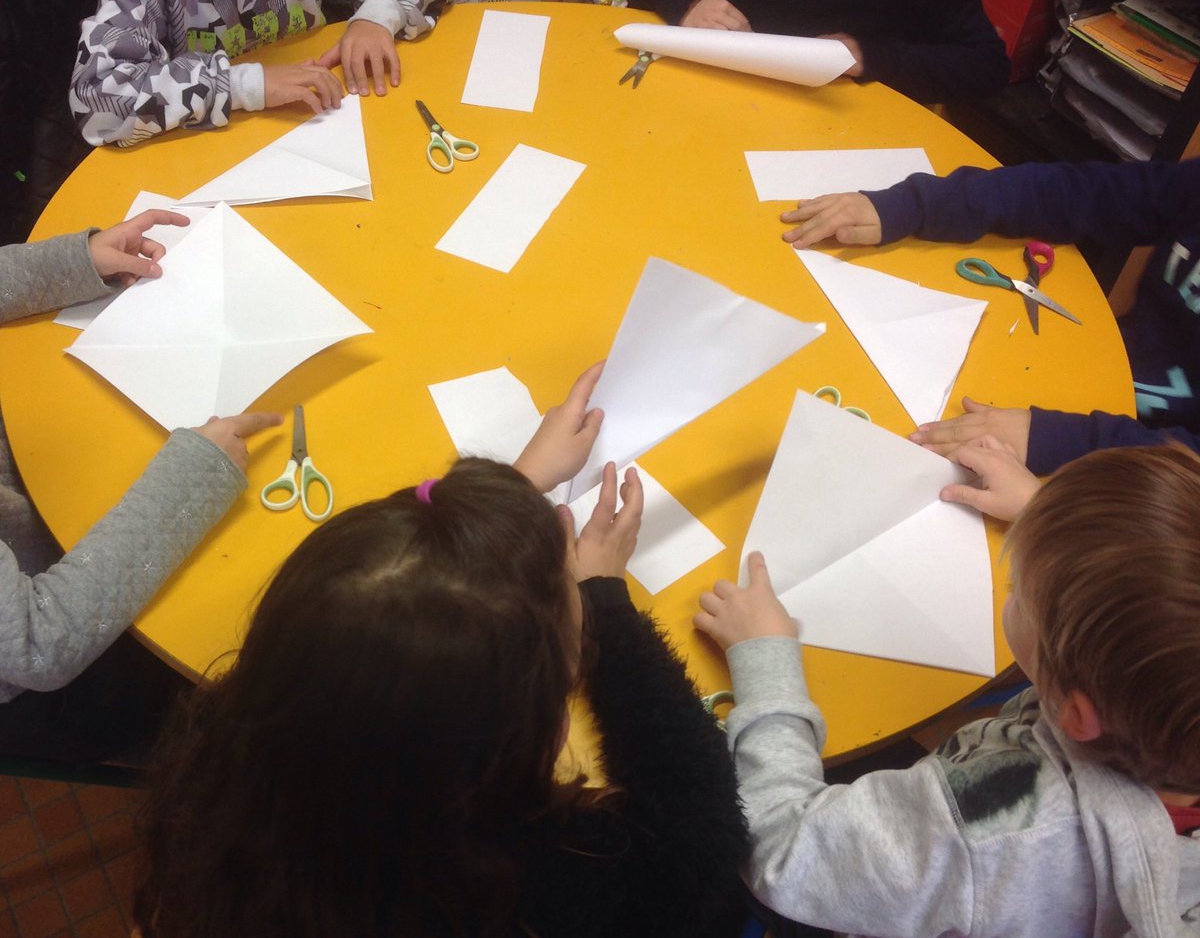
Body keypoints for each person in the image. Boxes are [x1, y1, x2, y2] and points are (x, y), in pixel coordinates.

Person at [134, 364, 750, 938]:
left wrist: (511, 504)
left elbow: (401, 617)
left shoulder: (232, 763)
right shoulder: (531, 878)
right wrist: (608, 604)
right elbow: (700, 842)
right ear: (548, 722)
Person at [694, 438, 1200, 936]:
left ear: (1078, 716)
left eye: (1018, 588)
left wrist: (764, 657)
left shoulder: (989, 826)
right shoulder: (1164, 716)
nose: (1015, 588)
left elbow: (782, 850)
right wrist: (1047, 521)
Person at [0, 209, 281, 763]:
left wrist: (72, 262)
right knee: (243, 691)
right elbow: (39, 644)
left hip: (34, 491)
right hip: (49, 674)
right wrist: (196, 477)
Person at [781, 158, 1200, 474]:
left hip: (1140, 485)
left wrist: (1060, 442)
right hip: (1093, 375)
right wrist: (915, 205)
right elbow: (1081, 192)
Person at [70, 0, 457, 147]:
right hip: (204, 159)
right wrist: (245, 84)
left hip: (320, 133)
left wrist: (378, 13)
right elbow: (98, 98)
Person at [599, 0, 1008, 105]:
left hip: (845, 115)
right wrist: (685, 2)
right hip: (725, 86)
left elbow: (986, 65)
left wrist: (867, 55)